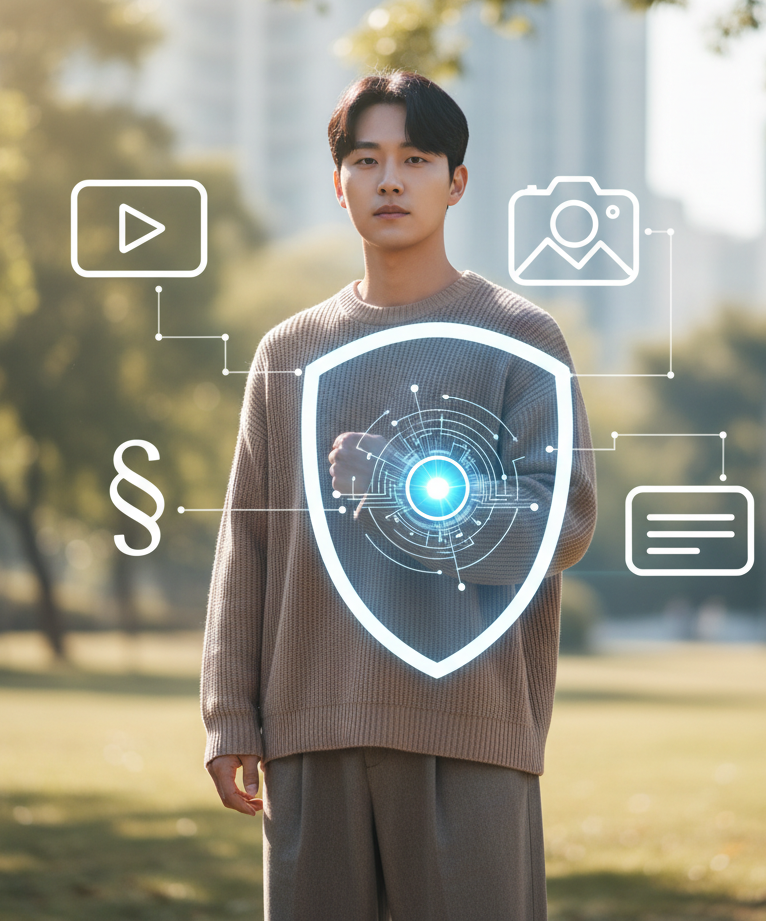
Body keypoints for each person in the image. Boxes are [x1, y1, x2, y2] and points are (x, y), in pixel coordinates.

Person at [201, 71, 597, 921]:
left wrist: (398, 491)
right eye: (366, 158)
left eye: (416, 158)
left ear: (457, 182)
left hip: (471, 731)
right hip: (310, 734)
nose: (390, 180)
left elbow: (557, 525)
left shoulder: (518, 337)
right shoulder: (288, 352)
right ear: (337, 183)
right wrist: (229, 712)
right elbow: (249, 544)